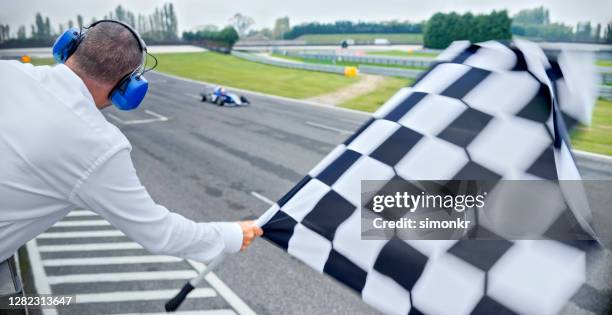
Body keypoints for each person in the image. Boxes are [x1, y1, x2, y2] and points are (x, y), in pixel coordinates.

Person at [0, 20, 263, 264]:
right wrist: (233, 234)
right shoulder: (99, 146)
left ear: (68, 46)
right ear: (129, 87)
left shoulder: (8, 72)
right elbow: (161, 233)